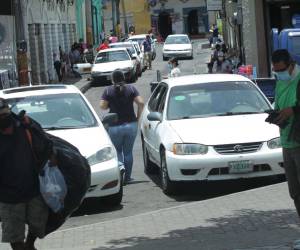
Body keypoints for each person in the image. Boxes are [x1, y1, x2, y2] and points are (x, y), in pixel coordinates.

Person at [0, 98, 49, 250]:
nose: (3, 118)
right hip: (8, 197)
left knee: (37, 227)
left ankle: (30, 244)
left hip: (33, 189)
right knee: (14, 237)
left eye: (5, 114)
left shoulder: (25, 125)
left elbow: (46, 144)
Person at [271, 50, 300, 240]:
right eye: (275, 71)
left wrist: (294, 110)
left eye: (280, 70)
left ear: (290, 65)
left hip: (299, 142)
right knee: (295, 192)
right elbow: (279, 106)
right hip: (287, 142)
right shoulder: (280, 81)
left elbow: (292, 108)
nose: (278, 73)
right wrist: (276, 116)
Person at [100, 70, 144, 184]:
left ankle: (120, 168)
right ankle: (128, 177)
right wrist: (137, 117)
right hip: (131, 124)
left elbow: (102, 107)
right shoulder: (131, 88)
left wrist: (110, 103)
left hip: (115, 126)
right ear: (124, 78)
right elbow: (141, 103)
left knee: (117, 150)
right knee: (128, 152)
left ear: (112, 79)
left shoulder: (108, 90)